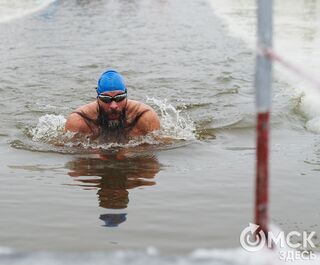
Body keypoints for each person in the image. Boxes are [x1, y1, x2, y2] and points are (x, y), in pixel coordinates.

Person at [65, 70, 160, 142]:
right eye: (106, 99)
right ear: (97, 97)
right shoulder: (80, 120)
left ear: (126, 95)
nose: (114, 106)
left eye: (119, 98)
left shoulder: (144, 116)